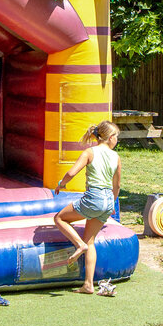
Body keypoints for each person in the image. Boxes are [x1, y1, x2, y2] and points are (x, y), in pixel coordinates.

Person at [52, 121, 122, 294]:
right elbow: (117, 186)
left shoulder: (90, 152)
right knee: (90, 241)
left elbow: (71, 173)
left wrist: (61, 184)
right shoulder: (116, 157)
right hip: (107, 201)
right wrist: (111, 204)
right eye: (117, 137)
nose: (117, 141)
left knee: (59, 218)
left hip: (94, 197)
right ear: (110, 137)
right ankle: (88, 284)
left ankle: (78, 245)